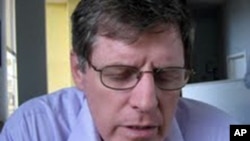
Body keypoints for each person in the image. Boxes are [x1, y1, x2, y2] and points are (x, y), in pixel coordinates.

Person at [0, 0, 236, 141]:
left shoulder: (222, 129)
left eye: (165, 74)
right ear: (78, 70)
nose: (146, 102)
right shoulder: (31, 130)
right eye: (120, 74)